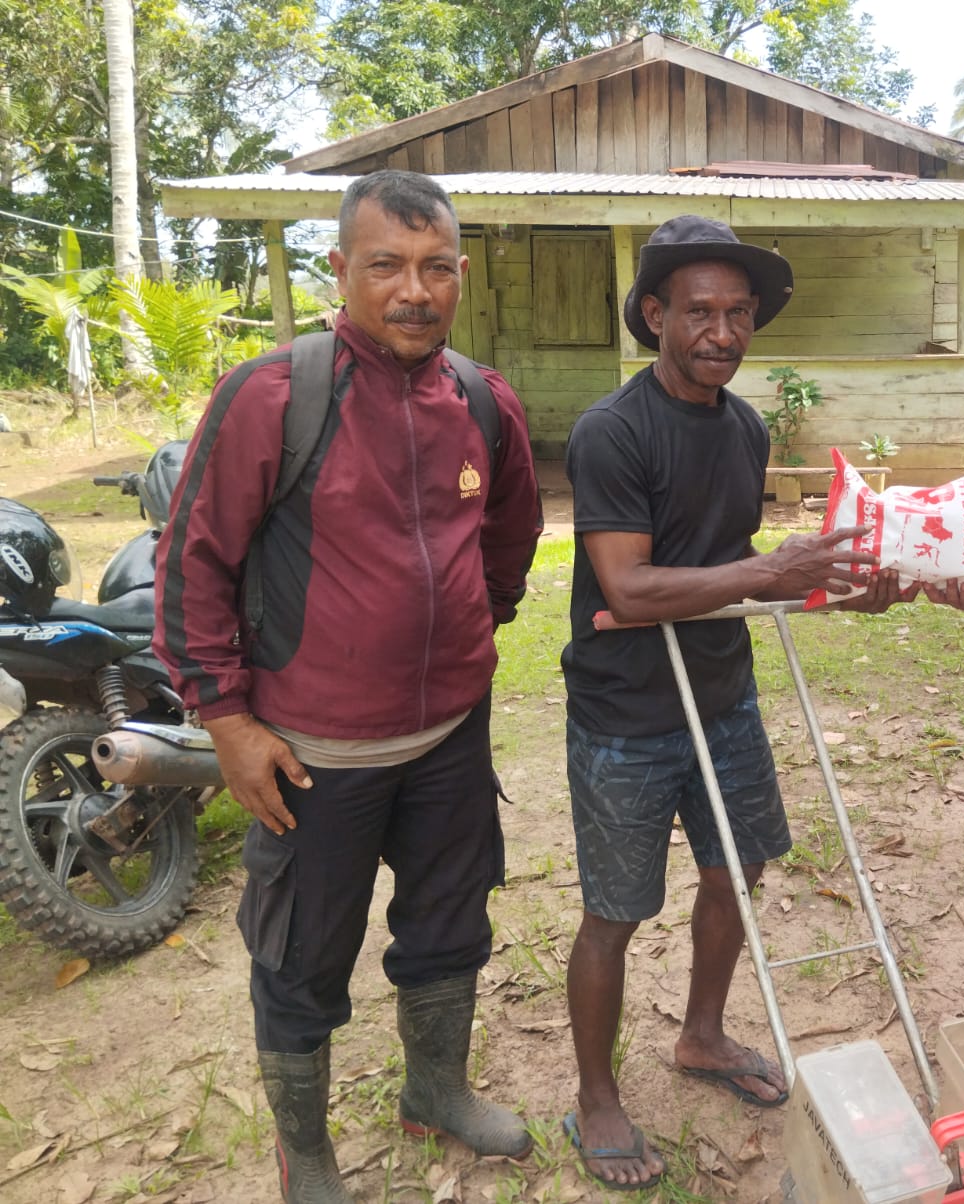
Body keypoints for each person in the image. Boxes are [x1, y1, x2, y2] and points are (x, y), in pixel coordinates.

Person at [154, 170, 543, 1204]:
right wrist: (226, 721)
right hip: (312, 757)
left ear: (461, 273)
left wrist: (472, 623)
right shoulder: (272, 396)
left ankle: (435, 1090)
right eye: (386, 266)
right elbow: (193, 562)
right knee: (301, 959)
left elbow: (510, 534)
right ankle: (308, 1154)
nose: (413, 290)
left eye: (435, 268)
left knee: (450, 926)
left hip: (449, 739)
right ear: (340, 269)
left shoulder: (482, 400)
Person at [558, 215, 910, 1191]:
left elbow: (734, 571)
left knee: (735, 869)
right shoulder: (612, 432)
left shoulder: (744, 427)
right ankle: (597, 1094)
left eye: (740, 313)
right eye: (700, 312)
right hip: (627, 713)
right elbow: (629, 588)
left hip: (721, 692)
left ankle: (702, 1034)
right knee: (615, 911)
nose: (723, 333)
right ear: (654, 314)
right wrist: (766, 569)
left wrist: (838, 587)